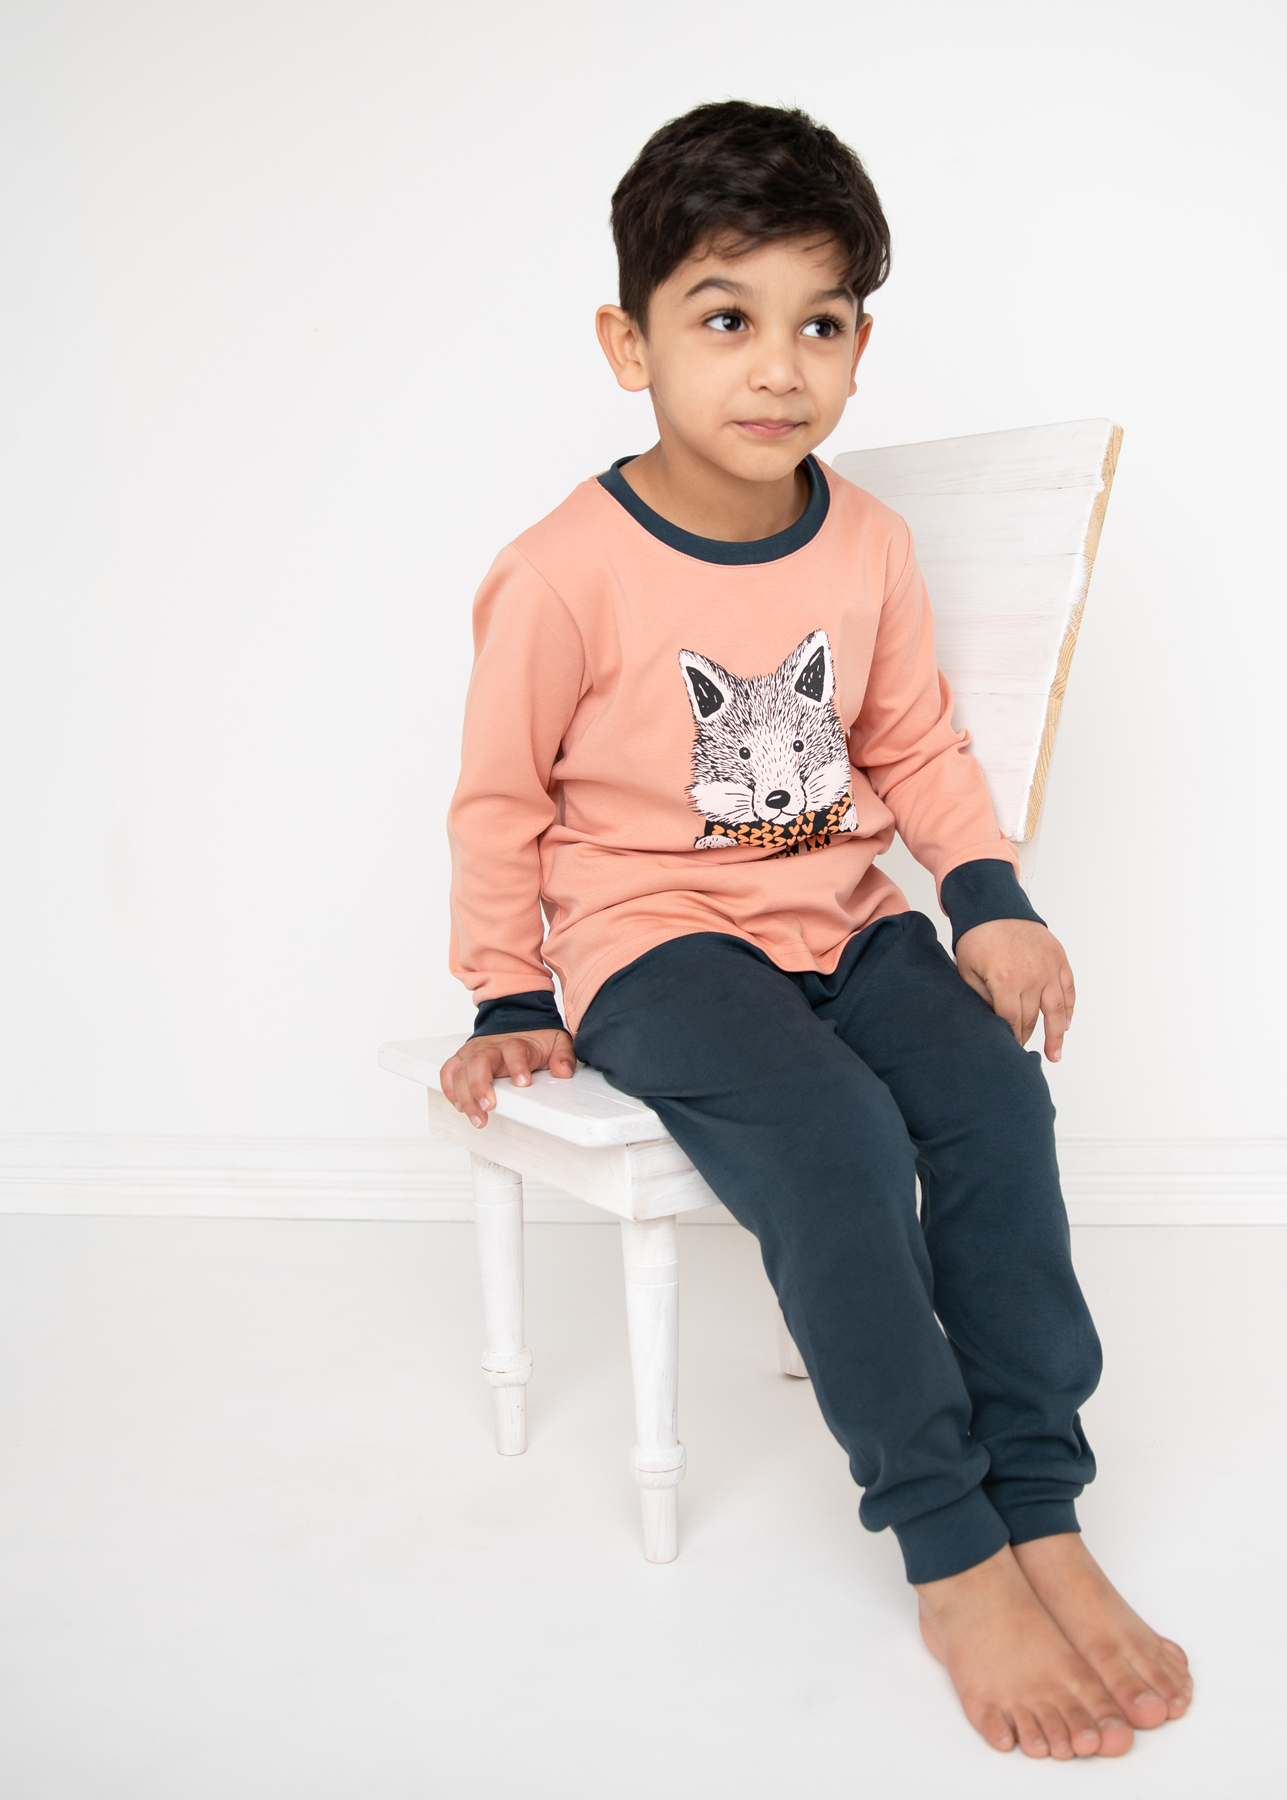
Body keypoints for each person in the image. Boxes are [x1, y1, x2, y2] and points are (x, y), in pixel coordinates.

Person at [439, 99, 1190, 1760]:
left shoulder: (867, 542)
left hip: (843, 920)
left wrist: (990, 900)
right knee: (840, 1137)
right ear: (629, 345)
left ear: (859, 344)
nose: (778, 368)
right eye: (727, 319)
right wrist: (505, 992)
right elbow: (498, 801)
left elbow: (915, 742)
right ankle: (950, 1543)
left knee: (992, 1100)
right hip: (653, 943)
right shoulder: (560, 572)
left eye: (821, 324)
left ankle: (1038, 1497)